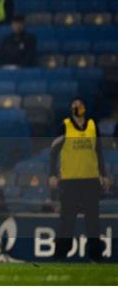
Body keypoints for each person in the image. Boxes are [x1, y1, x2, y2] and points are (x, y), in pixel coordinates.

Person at [49, 98, 111, 261]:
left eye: (80, 105)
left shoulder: (92, 126)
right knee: (67, 221)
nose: (78, 108)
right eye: (75, 106)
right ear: (71, 109)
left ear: (84, 108)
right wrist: (52, 174)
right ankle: (60, 256)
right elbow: (53, 152)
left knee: (93, 222)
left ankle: (96, 257)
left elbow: (98, 153)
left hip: (91, 181)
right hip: (70, 182)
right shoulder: (65, 127)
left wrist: (103, 175)